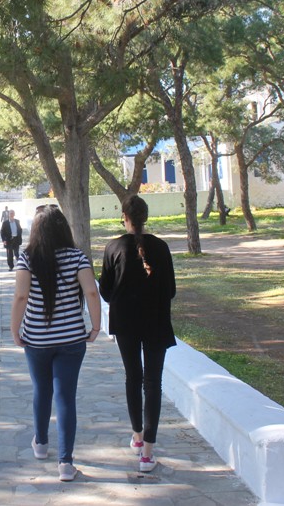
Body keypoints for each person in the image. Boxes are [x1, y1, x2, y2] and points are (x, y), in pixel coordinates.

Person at [11, 206, 101, 482]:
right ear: (64, 229)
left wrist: (15, 330)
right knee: (65, 397)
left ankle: (40, 444)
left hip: (37, 339)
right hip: (72, 338)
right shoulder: (77, 257)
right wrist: (95, 327)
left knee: (41, 390)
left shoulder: (27, 258)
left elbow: (21, 297)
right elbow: (91, 291)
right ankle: (65, 463)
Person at [99, 194, 176, 473]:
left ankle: (137, 436)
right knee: (153, 383)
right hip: (156, 321)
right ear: (146, 217)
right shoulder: (161, 247)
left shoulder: (113, 247)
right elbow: (171, 290)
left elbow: (106, 291)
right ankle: (148, 454)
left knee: (133, 378)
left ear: (125, 217)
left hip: (126, 323)